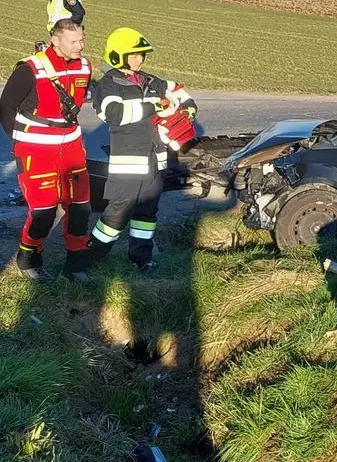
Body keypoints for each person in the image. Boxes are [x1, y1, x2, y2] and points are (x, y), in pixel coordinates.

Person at [88, 27, 197, 271]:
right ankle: (92, 256)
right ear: (117, 56)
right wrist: (154, 105)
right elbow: (113, 113)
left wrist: (188, 110)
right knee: (117, 213)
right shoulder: (109, 84)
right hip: (127, 163)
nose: (139, 59)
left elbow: (179, 90)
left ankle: (142, 258)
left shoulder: (151, 81)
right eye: (133, 55)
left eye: (141, 55)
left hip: (154, 163)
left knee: (147, 214)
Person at [0, 19, 93, 281]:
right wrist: (18, 140)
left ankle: (76, 264)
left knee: (80, 207)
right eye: (73, 41)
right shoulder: (31, 68)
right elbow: (6, 107)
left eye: (82, 40)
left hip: (72, 146)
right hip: (36, 149)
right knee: (43, 211)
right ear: (55, 40)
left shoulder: (85, 66)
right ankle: (29, 256)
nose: (80, 46)